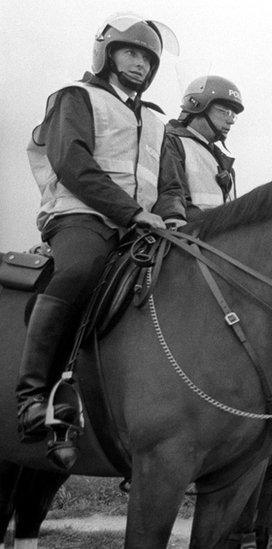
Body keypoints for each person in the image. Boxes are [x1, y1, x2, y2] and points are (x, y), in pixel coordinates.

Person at [17, 14, 178, 443]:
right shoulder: (77, 97)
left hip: (140, 228)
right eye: (131, 52)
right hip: (80, 215)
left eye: (148, 59)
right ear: (106, 53)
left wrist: (174, 215)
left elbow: (168, 184)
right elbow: (72, 163)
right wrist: (130, 212)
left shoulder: (159, 121)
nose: (140, 64)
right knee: (81, 271)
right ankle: (33, 396)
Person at [153, 75, 243, 225]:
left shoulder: (225, 163)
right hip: (186, 239)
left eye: (233, 115)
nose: (231, 120)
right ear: (198, 106)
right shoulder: (172, 142)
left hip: (217, 241)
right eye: (224, 111)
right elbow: (172, 197)